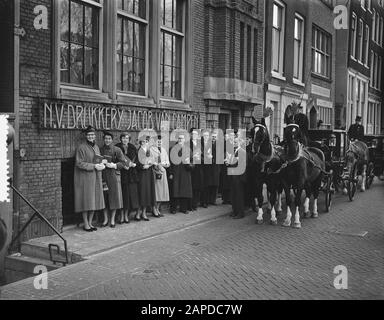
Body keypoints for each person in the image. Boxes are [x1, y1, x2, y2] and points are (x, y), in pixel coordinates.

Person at [74, 126, 105, 232]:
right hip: (85, 178)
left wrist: (101, 164)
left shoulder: (96, 147)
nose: (91, 136)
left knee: (94, 201)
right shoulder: (81, 148)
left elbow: (98, 159)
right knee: (86, 201)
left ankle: (91, 222)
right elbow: (79, 163)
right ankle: (86, 223)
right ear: (86, 136)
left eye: (92, 135)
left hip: (95, 177)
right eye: (89, 135)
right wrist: (93, 166)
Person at [99, 131, 126, 228]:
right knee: (104, 198)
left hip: (113, 176)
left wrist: (114, 165)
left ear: (112, 140)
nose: (107, 140)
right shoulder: (100, 149)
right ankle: (106, 219)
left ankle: (113, 219)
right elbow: (96, 160)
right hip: (102, 176)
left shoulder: (117, 150)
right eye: (106, 139)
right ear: (103, 139)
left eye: (109, 139)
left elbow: (123, 163)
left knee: (113, 198)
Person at [116, 133, 140, 224]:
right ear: (121, 139)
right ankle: (121, 215)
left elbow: (137, 159)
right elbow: (115, 159)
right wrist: (122, 165)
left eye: (127, 138)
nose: (125, 139)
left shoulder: (133, 147)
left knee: (129, 196)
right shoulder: (117, 147)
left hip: (131, 174)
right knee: (123, 195)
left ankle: (126, 215)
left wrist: (134, 164)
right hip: (121, 173)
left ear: (129, 139)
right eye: (123, 138)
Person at [169, 134, 193, 214]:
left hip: (185, 172)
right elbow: (169, 162)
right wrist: (170, 173)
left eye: (182, 138)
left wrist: (190, 165)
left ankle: (183, 208)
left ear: (184, 140)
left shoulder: (188, 149)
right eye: (179, 138)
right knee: (175, 191)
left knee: (184, 191)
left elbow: (192, 161)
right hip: (175, 172)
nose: (180, 140)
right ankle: (173, 208)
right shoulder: (172, 149)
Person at [225, 137, 247, 219]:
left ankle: (240, 213)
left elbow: (242, 164)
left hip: (239, 177)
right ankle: (235, 211)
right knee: (233, 194)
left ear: (239, 143)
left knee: (239, 195)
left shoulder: (242, 152)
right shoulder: (233, 151)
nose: (234, 143)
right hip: (233, 176)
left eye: (235, 142)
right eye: (234, 142)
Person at [137, 137, 157, 221]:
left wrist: (151, 164)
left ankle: (144, 212)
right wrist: (142, 166)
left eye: (146, 141)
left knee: (147, 192)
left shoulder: (149, 151)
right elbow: (136, 162)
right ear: (140, 142)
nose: (144, 143)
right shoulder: (138, 150)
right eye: (143, 141)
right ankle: (138, 212)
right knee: (141, 192)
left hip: (149, 173)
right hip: (141, 174)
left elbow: (153, 160)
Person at [151, 135, 170, 217]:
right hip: (155, 173)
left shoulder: (164, 150)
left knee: (162, 192)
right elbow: (150, 161)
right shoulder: (151, 150)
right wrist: (156, 164)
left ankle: (158, 208)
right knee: (156, 192)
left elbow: (168, 163)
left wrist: (164, 164)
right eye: (157, 141)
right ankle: (154, 209)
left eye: (160, 141)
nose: (159, 143)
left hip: (163, 172)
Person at [190, 128, 203, 210]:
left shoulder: (199, 143)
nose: (194, 135)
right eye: (193, 134)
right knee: (192, 186)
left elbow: (203, 154)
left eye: (196, 134)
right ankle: (191, 205)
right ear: (191, 135)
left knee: (198, 186)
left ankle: (195, 204)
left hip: (199, 167)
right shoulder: (188, 144)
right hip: (192, 168)